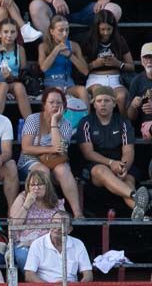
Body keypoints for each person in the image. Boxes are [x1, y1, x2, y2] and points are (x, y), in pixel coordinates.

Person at [75, 86, 146, 221]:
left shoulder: (123, 123)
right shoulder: (86, 123)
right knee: (100, 170)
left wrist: (123, 166)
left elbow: (128, 150)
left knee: (128, 179)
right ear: (94, 104)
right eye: (99, 101)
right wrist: (110, 163)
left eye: (107, 101)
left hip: (120, 162)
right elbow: (88, 153)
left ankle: (140, 212)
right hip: (96, 167)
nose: (103, 104)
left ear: (114, 103)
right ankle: (135, 197)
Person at [17, 87, 83, 218]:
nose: (55, 106)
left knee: (63, 170)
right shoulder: (33, 119)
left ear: (64, 106)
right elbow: (26, 148)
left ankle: (78, 213)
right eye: (51, 102)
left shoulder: (66, 124)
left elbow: (60, 148)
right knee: (42, 171)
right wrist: (50, 149)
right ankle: (44, 212)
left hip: (55, 159)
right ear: (44, 104)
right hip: (31, 158)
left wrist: (54, 123)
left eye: (59, 103)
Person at [8, 168, 65, 270]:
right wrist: (26, 205)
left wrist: (39, 242)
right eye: (33, 185)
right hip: (25, 243)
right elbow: (14, 225)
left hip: (50, 243)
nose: (36, 188)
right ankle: (32, 282)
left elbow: (63, 225)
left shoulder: (56, 202)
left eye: (40, 184)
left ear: (47, 186)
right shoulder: (22, 198)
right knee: (22, 256)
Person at [80, 10, 133, 113]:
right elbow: (82, 69)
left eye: (109, 29)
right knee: (101, 96)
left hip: (115, 79)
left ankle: (124, 126)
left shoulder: (119, 40)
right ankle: (98, 126)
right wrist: (95, 63)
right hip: (95, 79)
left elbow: (131, 66)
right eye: (102, 29)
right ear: (97, 28)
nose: (106, 33)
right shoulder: (89, 41)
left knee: (121, 97)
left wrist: (118, 63)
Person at [24, 210, 93, 283]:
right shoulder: (37, 244)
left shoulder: (78, 244)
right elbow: (29, 275)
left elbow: (88, 274)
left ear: (69, 230)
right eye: (55, 223)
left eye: (63, 224)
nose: (58, 228)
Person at [0, 17, 31, 120]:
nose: (9, 35)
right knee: (3, 86)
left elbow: (23, 75)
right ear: (0, 33)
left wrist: (11, 77)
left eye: (12, 32)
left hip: (12, 81)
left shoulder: (20, 49)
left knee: (19, 87)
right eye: (5, 32)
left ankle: (31, 125)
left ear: (17, 34)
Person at [36, 15, 87, 104]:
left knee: (83, 91)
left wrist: (70, 55)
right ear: (52, 31)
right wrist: (55, 51)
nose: (65, 34)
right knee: (58, 92)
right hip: (51, 84)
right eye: (61, 30)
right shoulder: (43, 46)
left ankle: (86, 118)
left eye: (67, 30)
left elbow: (85, 71)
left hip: (68, 84)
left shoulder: (74, 46)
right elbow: (43, 68)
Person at [126, 43, 152, 138]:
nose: (149, 61)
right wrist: (133, 106)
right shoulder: (137, 81)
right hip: (148, 125)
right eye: (146, 57)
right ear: (141, 61)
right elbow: (131, 117)